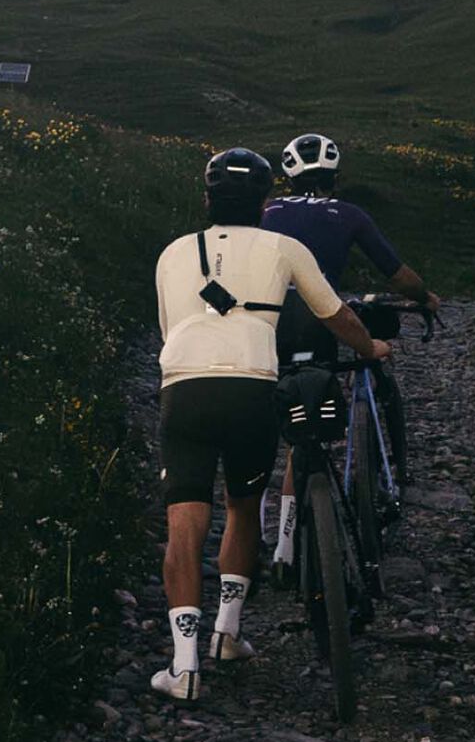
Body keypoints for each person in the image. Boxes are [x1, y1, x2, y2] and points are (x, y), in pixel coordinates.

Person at [148, 147, 389, 701]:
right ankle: (227, 634)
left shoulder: (173, 253)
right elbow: (336, 314)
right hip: (252, 386)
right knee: (241, 507)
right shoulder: (285, 247)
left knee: (184, 523)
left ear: (207, 199)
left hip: (184, 387)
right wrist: (370, 348)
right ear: (263, 203)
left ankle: (184, 668)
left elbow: (168, 329)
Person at [261, 133, 438, 584]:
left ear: (287, 177)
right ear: (335, 177)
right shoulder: (349, 214)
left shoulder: (266, 211)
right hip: (319, 319)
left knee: (275, 421)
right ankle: (297, 539)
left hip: (267, 322)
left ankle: (272, 541)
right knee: (308, 423)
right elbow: (397, 275)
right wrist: (425, 297)